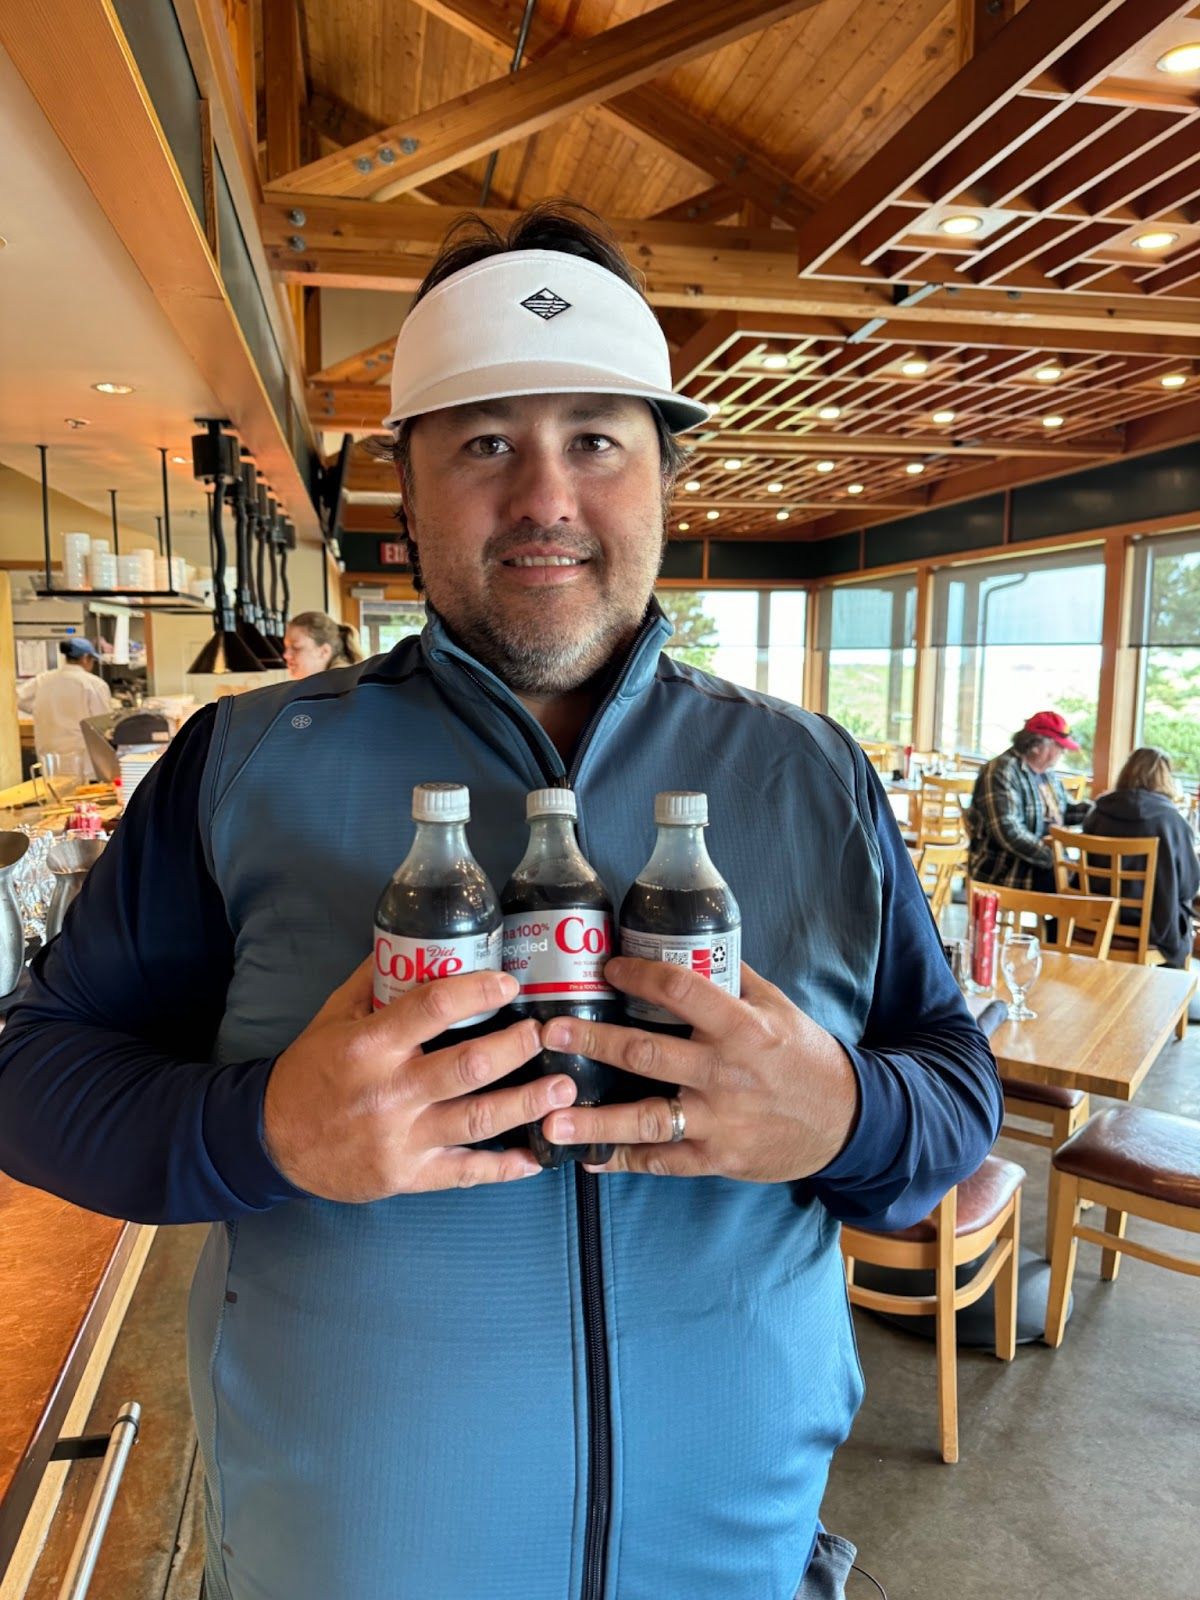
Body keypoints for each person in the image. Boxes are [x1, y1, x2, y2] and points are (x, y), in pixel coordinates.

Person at [0, 204, 1001, 1600]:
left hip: (731, 1566)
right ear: (401, 488)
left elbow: (956, 1091)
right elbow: (35, 1080)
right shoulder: (242, 765)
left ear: (665, 474)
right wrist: (261, 1128)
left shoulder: (811, 776)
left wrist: (844, 1114)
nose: (544, 498)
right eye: (483, 440)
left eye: (596, 436)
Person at [1082, 747, 1199, 969]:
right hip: (1154, 927)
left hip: (1094, 920)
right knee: (1181, 913)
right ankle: (1169, 996)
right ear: (1164, 778)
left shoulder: (1098, 812)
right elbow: (1188, 886)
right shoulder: (1172, 821)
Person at [966, 710, 1090, 892]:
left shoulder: (1047, 773)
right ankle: (1064, 920)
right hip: (1009, 870)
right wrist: (1055, 857)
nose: (1063, 751)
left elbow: (1066, 811)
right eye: (1059, 746)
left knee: (1087, 883)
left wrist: (1100, 810)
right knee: (1081, 890)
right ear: (1036, 745)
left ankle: (1064, 919)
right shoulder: (1001, 771)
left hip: (1045, 864)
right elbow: (1009, 832)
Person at [15, 636, 112, 778]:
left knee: (53, 797)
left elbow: (16, 698)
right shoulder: (94, 684)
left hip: (49, 761)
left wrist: (37, 709)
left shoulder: (42, 680)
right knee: (83, 798)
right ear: (85, 658)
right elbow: (104, 724)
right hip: (84, 764)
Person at [282, 609, 363, 678]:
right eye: (286, 647)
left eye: (296, 648)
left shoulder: (343, 689)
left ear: (324, 651)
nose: (286, 655)